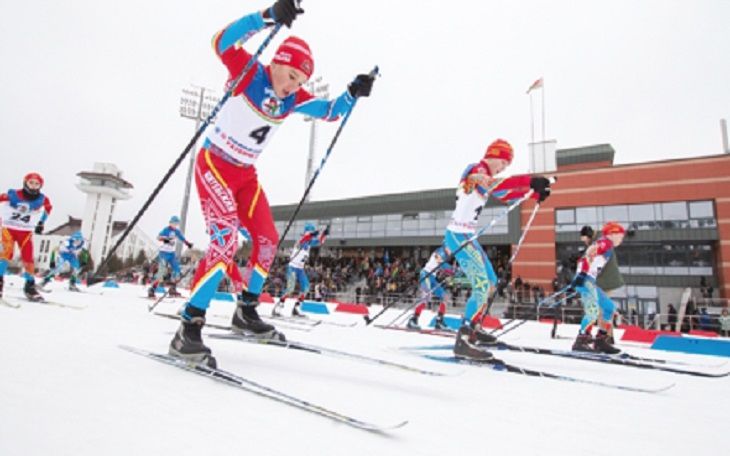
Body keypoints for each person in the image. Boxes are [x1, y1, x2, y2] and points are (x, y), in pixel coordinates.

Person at [169, 1, 375, 366]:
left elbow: (329, 112)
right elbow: (221, 42)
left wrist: (352, 92)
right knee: (224, 243)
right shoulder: (250, 72)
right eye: (292, 77)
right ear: (278, 63)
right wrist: (266, 17)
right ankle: (189, 325)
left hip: (246, 175)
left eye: (300, 82)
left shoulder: (292, 99)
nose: (294, 87)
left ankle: (246, 310)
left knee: (267, 240)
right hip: (215, 164)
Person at [444, 139, 552, 361]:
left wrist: (532, 193)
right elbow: (496, 186)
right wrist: (531, 181)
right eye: (503, 163)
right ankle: (463, 339)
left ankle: (475, 327)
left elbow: (503, 195)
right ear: (494, 155)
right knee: (481, 285)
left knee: (491, 283)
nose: (503, 168)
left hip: (469, 236)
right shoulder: (475, 170)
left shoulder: (486, 176)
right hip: (457, 235)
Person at [570, 221, 626, 354]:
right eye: (620, 235)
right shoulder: (605, 242)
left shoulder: (607, 244)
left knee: (609, 308)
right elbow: (590, 252)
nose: (622, 239)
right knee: (592, 312)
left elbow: (587, 255)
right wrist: (582, 274)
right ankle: (581, 340)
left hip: (589, 280)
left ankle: (600, 340)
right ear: (612, 234)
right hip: (585, 280)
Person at [0, 173, 53, 301]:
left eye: (37, 184)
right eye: (31, 183)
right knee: (6, 254)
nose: (33, 186)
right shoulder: (12, 195)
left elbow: (48, 208)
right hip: (9, 229)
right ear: (25, 183)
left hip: (25, 232)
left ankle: (29, 286)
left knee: (28, 257)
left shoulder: (42, 199)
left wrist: (41, 222)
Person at [272, 222, 329, 317]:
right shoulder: (301, 240)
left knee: (306, 287)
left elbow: (319, 241)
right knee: (290, 288)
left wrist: (324, 234)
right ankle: (279, 306)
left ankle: (297, 308)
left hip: (300, 269)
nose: (311, 234)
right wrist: (311, 234)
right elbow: (305, 238)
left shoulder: (309, 242)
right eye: (310, 232)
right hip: (292, 267)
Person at [148, 216, 193, 298]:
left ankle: (173, 289)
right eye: (174, 223)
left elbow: (182, 238)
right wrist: (166, 240)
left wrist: (188, 243)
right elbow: (158, 237)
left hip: (171, 254)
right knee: (161, 272)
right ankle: (152, 289)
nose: (175, 225)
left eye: (177, 224)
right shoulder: (166, 230)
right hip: (164, 254)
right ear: (170, 223)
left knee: (177, 270)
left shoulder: (176, 231)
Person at [407, 246, 451, 329]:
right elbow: (439, 261)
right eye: (451, 248)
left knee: (445, 297)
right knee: (426, 298)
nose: (451, 251)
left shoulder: (445, 255)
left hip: (433, 278)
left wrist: (453, 271)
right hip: (426, 275)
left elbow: (441, 267)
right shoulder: (440, 251)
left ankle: (439, 321)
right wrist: (451, 269)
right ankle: (413, 320)